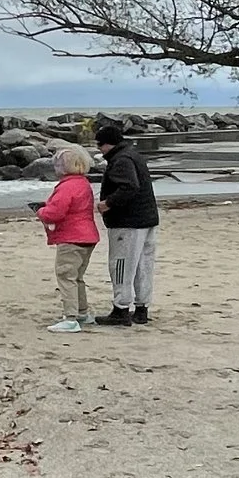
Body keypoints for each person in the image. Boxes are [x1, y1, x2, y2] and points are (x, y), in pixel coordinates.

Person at [93, 122, 159, 326]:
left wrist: (107, 204)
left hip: (128, 222)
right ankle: (141, 309)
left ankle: (121, 309)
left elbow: (129, 187)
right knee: (143, 265)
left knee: (121, 264)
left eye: (99, 145)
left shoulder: (121, 160)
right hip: (147, 219)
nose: (99, 149)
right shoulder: (133, 155)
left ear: (107, 144)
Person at [31, 144, 100, 332]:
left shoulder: (67, 186)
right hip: (87, 236)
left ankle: (71, 318)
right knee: (77, 277)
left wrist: (41, 211)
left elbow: (55, 213)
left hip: (72, 237)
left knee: (66, 276)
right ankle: (82, 312)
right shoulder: (83, 183)